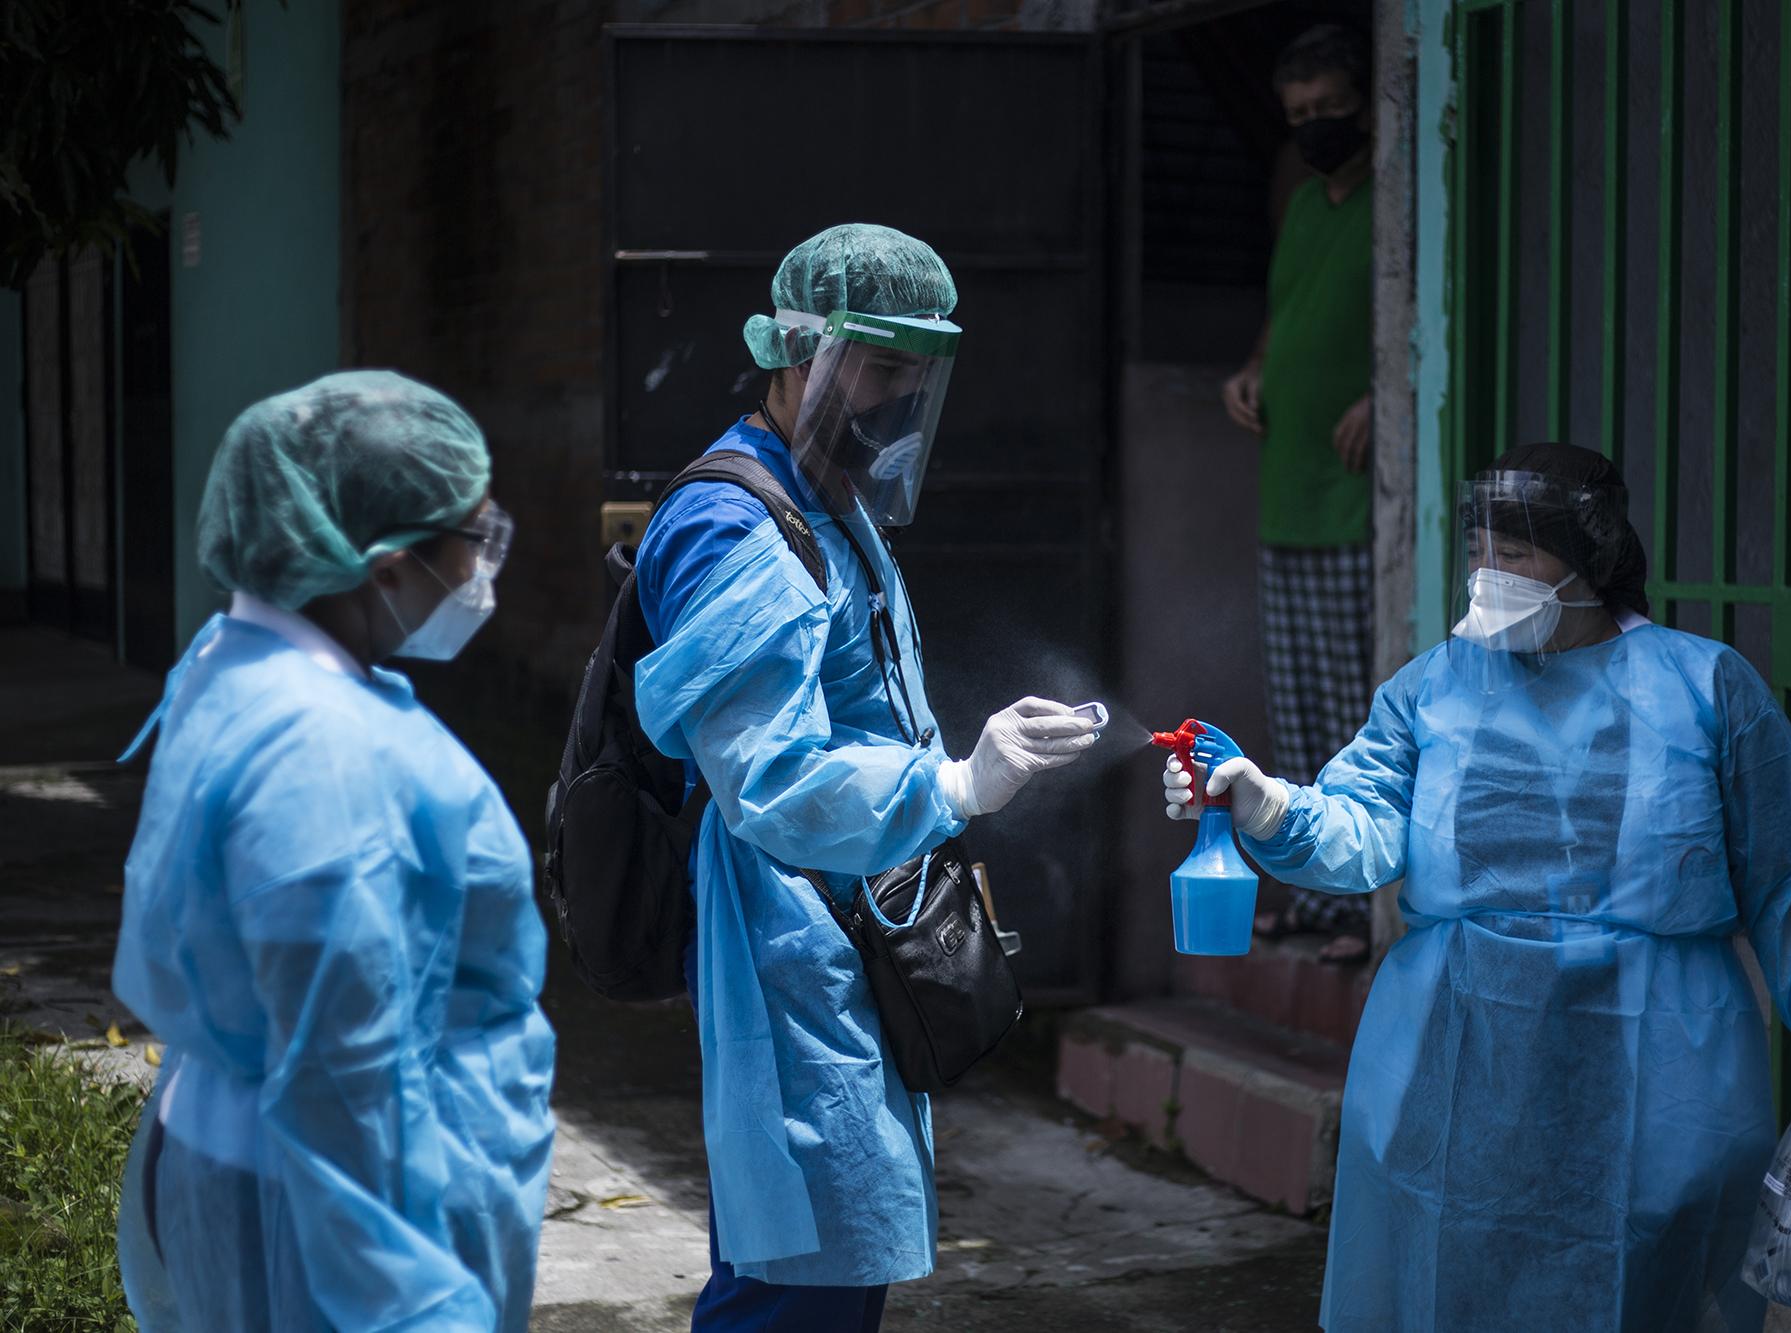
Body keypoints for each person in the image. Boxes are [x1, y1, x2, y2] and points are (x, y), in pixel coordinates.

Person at [1162, 442, 1791, 1332]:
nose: (1489, 575)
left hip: (1659, 1073)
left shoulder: (1705, 689)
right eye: (1481, 550)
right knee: (1453, 1283)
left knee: (1646, 1289)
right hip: (1463, 1068)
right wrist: (1267, 804)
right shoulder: (1432, 689)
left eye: (1519, 554)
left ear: (1591, 561)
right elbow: (1364, 828)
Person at [632, 223, 1102, 1332]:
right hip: (782, 932)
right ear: (798, 352)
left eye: (917, 371)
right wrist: (949, 787)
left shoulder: (829, 500)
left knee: (831, 1248)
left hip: (842, 919)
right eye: (880, 366)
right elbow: (771, 778)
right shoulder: (730, 521)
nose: (899, 396)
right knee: (796, 1260)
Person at [112, 371, 555, 1330]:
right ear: (388, 566)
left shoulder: (236, 665)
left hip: (251, 1178)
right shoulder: (324, 763)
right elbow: (343, 1085)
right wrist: (418, 1311)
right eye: (473, 540)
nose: (485, 569)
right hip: (326, 1238)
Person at [1220, 23, 1378, 961]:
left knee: (1357, 712)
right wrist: (1250, 371)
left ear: (1367, 106)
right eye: (1300, 116)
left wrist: (1384, 400)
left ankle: (1364, 901)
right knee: (1304, 710)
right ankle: (1318, 897)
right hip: (1287, 493)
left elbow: (1417, 327)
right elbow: (1285, 319)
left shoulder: (1394, 206)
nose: (1316, 127)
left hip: (1356, 498)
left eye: (1331, 109)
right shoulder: (1308, 207)